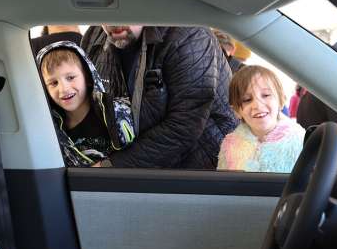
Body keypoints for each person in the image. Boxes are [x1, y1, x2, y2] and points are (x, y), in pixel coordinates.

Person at [81, 25, 237, 169]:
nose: (112, 22)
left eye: (121, 10)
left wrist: (110, 166)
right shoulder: (94, 37)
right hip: (134, 172)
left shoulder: (189, 33)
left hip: (203, 172)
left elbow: (184, 126)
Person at [36, 41, 135, 167]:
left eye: (71, 77)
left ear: (88, 77)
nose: (64, 89)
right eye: (53, 83)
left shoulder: (118, 112)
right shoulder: (50, 132)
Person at [218, 65, 305, 173]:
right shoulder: (230, 146)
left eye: (266, 95)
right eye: (247, 99)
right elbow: (223, 184)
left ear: (281, 100)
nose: (258, 105)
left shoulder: (300, 141)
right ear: (236, 111)